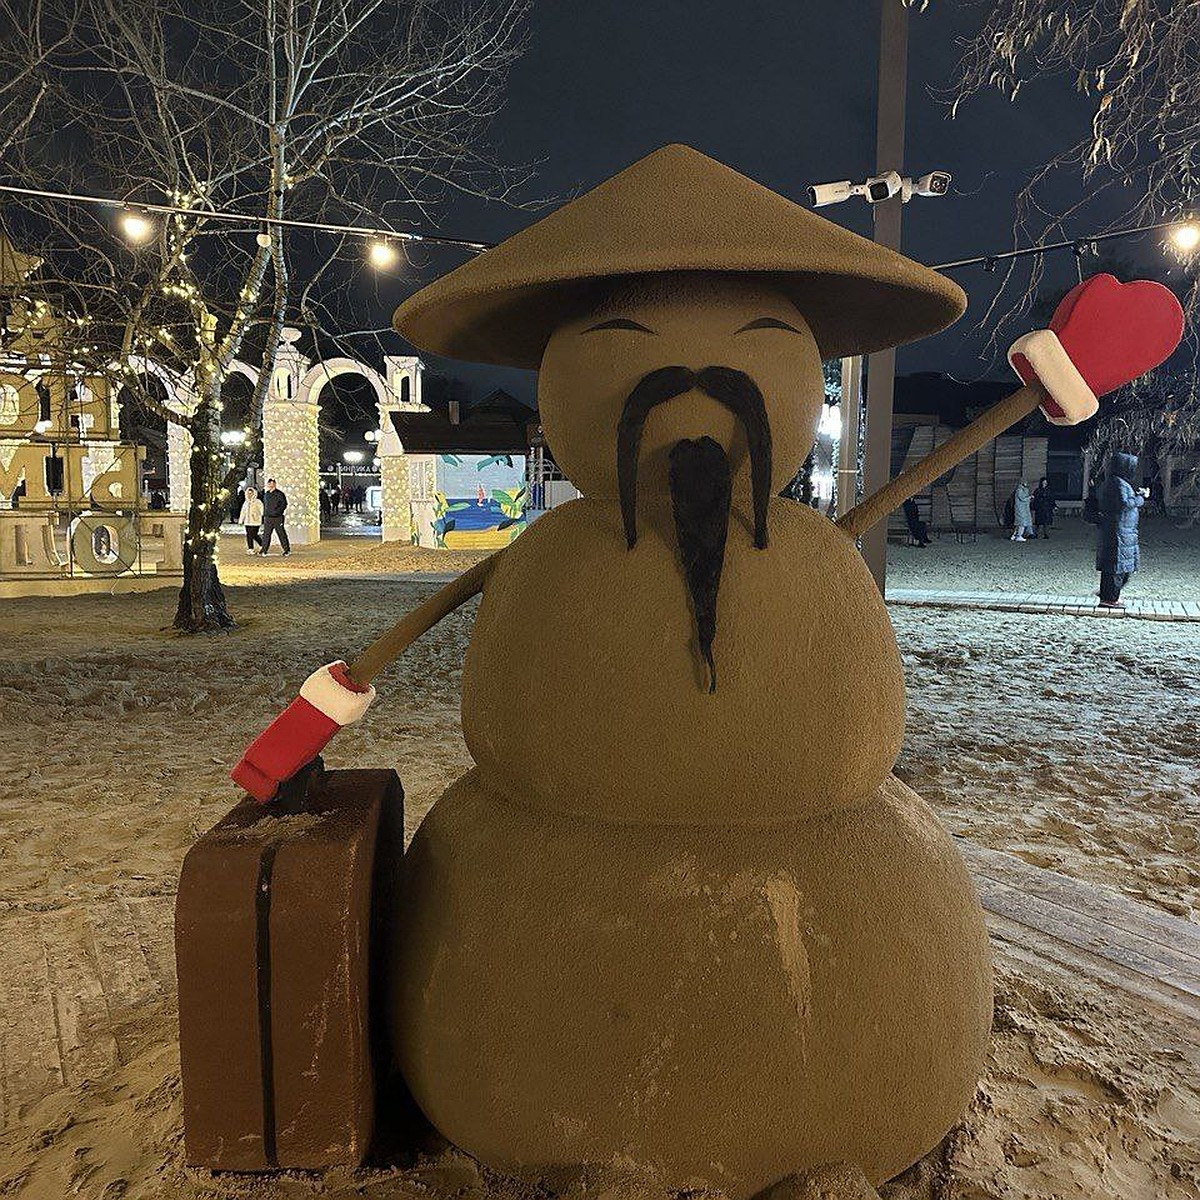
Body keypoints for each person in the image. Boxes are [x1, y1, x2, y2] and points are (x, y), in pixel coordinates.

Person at [1096, 451, 1144, 607]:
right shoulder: (1118, 483)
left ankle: (1108, 595)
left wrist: (1135, 495)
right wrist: (1140, 499)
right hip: (1120, 531)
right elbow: (1124, 503)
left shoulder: (1115, 482)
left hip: (1122, 530)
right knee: (1117, 568)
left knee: (1118, 567)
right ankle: (1110, 598)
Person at [260, 478, 291, 556]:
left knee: (281, 534)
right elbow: (265, 505)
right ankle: (264, 550)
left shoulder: (280, 494)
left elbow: (284, 504)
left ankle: (286, 550)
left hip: (277, 518)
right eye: (269, 483)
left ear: (275, 484)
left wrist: (277, 512)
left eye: (272, 483)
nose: (270, 485)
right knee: (266, 535)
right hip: (268, 518)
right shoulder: (266, 494)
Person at [239, 485, 265, 553]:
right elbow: (243, 511)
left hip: (255, 521)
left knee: (254, 534)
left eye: (251, 493)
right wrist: (241, 520)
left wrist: (260, 515)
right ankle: (250, 548)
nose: (250, 495)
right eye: (248, 493)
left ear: (254, 493)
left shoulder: (258, 502)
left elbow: (262, 510)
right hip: (247, 521)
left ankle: (262, 544)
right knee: (248, 534)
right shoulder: (246, 502)